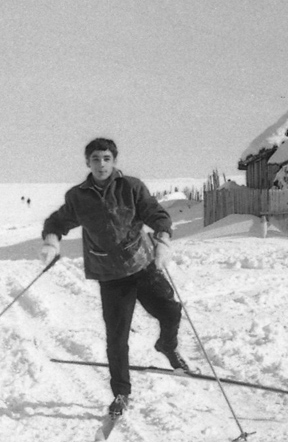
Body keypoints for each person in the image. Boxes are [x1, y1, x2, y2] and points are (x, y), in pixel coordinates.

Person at [40, 137, 189, 420]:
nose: (101, 164)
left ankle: (167, 345)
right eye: (95, 159)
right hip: (110, 275)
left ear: (114, 161)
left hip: (142, 264)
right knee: (117, 338)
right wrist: (51, 241)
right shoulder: (78, 197)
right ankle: (121, 392)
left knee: (171, 311)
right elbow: (57, 222)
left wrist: (163, 239)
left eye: (106, 158)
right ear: (88, 162)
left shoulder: (131, 187)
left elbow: (155, 213)